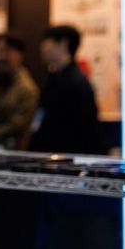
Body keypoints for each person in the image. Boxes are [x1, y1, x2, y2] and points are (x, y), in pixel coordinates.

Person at [28, 24, 102, 154]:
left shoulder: (75, 82)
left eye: (47, 42)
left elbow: (85, 131)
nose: (42, 48)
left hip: (66, 159)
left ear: (62, 44)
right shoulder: (57, 78)